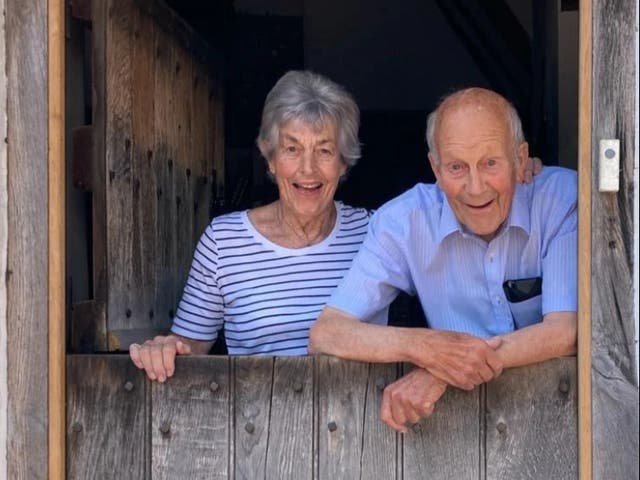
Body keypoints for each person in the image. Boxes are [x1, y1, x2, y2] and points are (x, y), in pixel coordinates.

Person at [308, 87, 577, 433]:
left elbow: (567, 332)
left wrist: (444, 371)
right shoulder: (403, 221)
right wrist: (429, 349)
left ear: (521, 159)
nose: (476, 187)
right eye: (456, 167)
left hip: (560, 423)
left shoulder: (561, 200)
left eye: (490, 163)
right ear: (435, 167)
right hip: (453, 433)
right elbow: (327, 334)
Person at [129, 70, 387, 381]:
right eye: (292, 149)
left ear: (343, 162)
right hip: (259, 424)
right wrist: (166, 350)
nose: (308, 168)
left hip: (363, 425)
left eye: (324, 150)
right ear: (270, 158)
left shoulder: (378, 234)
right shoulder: (224, 242)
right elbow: (190, 348)